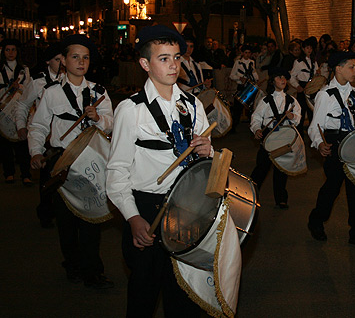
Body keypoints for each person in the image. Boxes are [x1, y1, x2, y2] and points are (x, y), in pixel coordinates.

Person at [106, 25, 212, 316]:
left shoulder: (193, 105)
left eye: (177, 57)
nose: (173, 65)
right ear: (144, 64)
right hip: (148, 208)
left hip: (188, 208)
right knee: (144, 293)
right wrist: (133, 217)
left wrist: (207, 150)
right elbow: (116, 171)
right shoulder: (131, 109)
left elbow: (207, 158)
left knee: (184, 293)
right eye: (163, 58)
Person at [28, 34, 114, 289]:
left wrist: (98, 118)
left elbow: (112, 123)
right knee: (66, 222)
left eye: (85, 57)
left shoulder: (99, 92)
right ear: (64, 61)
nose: (81, 62)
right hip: (62, 166)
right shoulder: (52, 93)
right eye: (75, 56)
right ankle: (72, 263)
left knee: (91, 218)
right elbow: (39, 126)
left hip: (91, 165)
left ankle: (92, 271)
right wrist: (35, 152)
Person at [307, 51, 355, 248]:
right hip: (334, 142)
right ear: (338, 68)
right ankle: (316, 220)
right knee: (333, 186)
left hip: (354, 143)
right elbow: (315, 125)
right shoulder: (324, 96)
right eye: (351, 67)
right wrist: (319, 143)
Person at [15, 43, 65, 227]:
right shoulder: (37, 82)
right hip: (44, 136)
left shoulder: (70, 80)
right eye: (57, 60)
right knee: (47, 178)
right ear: (48, 62)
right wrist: (21, 126)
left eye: (63, 59)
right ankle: (45, 210)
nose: (61, 64)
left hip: (63, 136)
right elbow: (22, 105)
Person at [249, 66, 301, 209]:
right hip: (268, 136)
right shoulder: (265, 101)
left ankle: (281, 198)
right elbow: (256, 117)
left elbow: (298, 118)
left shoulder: (292, 101)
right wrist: (257, 129)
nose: (283, 80)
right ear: (272, 81)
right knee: (262, 167)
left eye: (284, 78)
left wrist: (293, 117)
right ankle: (250, 194)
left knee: (281, 168)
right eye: (279, 78)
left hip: (284, 137)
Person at [0, 38, 32, 185]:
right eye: (7, 50)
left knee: (22, 141)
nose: (10, 53)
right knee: (4, 143)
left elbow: (28, 88)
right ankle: (9, 173)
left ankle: (26, 174)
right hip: (3, 109)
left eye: (13, 49)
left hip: (18, 108)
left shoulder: (24, 69)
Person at [289, 38, 317, 134]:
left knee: (312, 113)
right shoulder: (298, 62)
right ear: (303, 49)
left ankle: (312, 134)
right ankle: (299, 134)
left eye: (311, 48)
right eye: (307, 48)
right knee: (301, 112)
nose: (309, 50)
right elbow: (291, 76)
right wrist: (297, 86)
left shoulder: (314, 61)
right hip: (302, 86)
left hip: (312, 88)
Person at [229, 45, 259, 132]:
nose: (247, 54)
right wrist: (239, 78)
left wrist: (254, 75)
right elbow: (232, 75)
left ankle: (253, 127)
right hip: (241, 87)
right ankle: (233, 127)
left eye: (249, 53)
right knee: (237, 108)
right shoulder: (238, 63)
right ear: (242, 53)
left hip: (250, 87)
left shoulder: (252, 62)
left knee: (251, 107)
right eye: (246, 52)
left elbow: (255, 75)